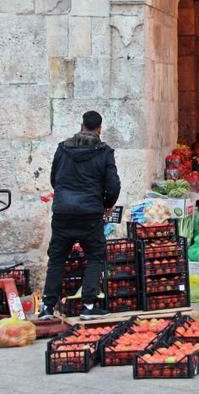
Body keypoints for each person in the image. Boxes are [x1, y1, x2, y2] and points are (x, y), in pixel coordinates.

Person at [38, 110, 120, 321]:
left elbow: (54, 178)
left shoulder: (62, 149)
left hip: (63, 212)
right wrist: (107, 205)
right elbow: (113, 186)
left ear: (81, 125)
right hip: (90, 213)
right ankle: (89, 305)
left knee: (57, 257)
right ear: (99, 129)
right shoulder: (104, 152)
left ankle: (47, 307)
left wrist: (64, 197)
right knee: (95, 256)